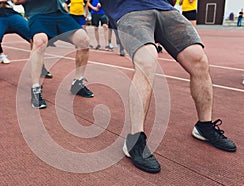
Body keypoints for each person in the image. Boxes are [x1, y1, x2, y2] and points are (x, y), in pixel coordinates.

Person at [100, 0, 237, 173]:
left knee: (199, 60)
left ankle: (204, 126)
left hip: (164, 8)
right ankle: (135, 139)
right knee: (147, 59)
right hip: (129, 9)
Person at [11, 0, 94, 109]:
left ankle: (77, 83)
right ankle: (36, 89)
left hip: (60, 14)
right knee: (39, 41)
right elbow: (16, 1)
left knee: (83, 40)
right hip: (38, 15)